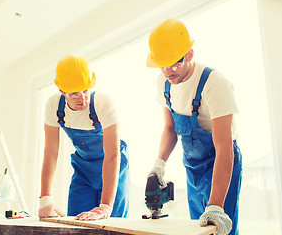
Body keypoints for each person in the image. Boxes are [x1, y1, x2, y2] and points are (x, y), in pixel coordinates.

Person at [146, 19, 242, 235]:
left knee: (218, 227)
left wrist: (216, 205)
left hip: (222, 161)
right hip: (193, 165)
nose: (168, 71)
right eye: (162, 64)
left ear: (189, 54)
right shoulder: (164, 83)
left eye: (174, 63)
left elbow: (224, 148)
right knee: (197, 228)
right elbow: (170, 129)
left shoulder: (214, 83)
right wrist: (159, 165)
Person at [38, 55, 129, 220]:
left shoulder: (103, 103)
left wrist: (106, 207)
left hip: (112, 165)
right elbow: (51, 152)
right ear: (62, 91)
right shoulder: (54, 106)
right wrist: (45, 199)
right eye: (74, 94)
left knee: (113, 224)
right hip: (83, 169)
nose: (82, 98)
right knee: (75, 222)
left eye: (86, 91)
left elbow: (112, 155)